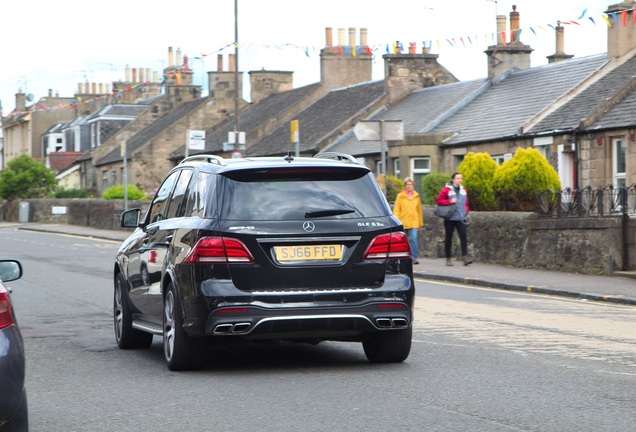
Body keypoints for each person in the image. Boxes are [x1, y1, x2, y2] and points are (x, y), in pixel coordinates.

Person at [436, 172, 473, 266]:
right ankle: (448, 258)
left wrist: (466, 211)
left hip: (461, 217)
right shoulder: (447, 189)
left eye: (461, 178)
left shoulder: (463, 190)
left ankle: (465, 257)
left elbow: (466, 203)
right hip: (450, 218)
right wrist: (449, 201)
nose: (459, 180)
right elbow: (439, 200)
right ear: (453, 179)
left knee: (463, 236)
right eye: (457, 178)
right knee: (448, 238)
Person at [393, 177, 423, 264]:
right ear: (405, 186)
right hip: (403, 221)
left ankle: (414, 257)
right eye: (407, 185)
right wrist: (396, 221)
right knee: (403, 240)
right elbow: (397, 209)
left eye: (411, 184)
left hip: (414, 221)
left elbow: (419, 210)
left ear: (413, 185)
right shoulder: (400, 196)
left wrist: (420, 223)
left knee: (413, 239)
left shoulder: (416, 196)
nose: (409, 186)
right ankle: (403, 256)